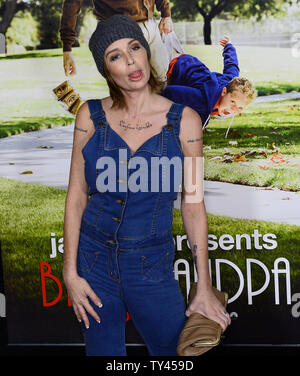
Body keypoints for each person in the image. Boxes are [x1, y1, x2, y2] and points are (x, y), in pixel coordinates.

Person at [63, 14, 231, 356]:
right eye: (115, 56)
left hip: (151, 264)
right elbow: (77, 196)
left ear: (145, 51)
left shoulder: (187, 121)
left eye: (135, 47)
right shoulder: (88, 117)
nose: (130, 61)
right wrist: (70, 274)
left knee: (173, 354)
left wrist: (204, 287)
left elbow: (193, 204)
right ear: (106, 69)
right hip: (92, 263)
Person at [59, 0, 173, 80]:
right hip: (121, 30)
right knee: (133, 88)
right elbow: (72, 3)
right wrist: (67, 48)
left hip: (151, 25)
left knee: (162, 79)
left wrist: (166, 14)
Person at [161, 36, 257, 128]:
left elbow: (232, 65)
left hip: (190, 63)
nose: (234, 110)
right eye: (232, 102)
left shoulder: (231, 82)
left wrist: (229, 46)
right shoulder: (202, 100)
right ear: (224, 92)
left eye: (240, 108)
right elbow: (169, 92)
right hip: (175, 66)